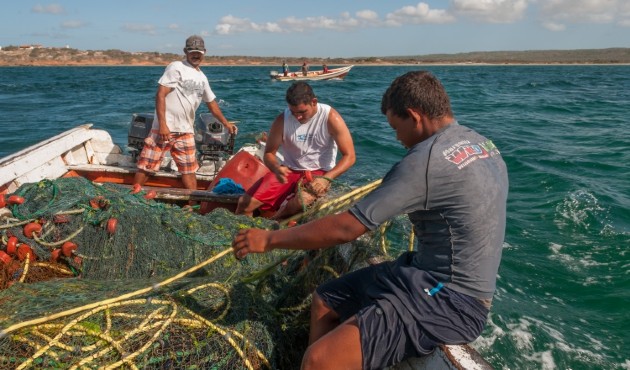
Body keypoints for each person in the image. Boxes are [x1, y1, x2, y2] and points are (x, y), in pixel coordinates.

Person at [232, 71, 508, 370]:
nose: (397, 138)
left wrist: (269, 239)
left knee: (318, 360)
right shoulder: (480, 143)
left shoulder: (424, 162)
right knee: (325, 299)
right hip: (419, 272)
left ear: (414, 117)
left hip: (450, 300)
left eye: (395, 127)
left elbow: (348, 227)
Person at [235, 81, 355, 219]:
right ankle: (241, 236)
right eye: (293, 112)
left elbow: (349, 156)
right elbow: (269, 153)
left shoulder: (331, 118)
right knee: (244, 203)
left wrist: (327, 179)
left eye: (302, 112)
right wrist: (275, 168)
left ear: (314, 102)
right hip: (289, 170)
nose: (297, 117)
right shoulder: (282, 120)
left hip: (319, 172)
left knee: (300, 202)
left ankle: (273, 224)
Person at [133, 35, 236, 191]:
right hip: (164, 129)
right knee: (147, 166)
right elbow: (160, 94)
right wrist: (162, 125)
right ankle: (133, 194)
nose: (196, 55)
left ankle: (192, 204)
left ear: (205, 52)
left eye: (199, 52)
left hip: (186, 130)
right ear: (185, 51)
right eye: (192, 51)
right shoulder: (176, 67)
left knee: (189, 170)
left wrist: (226, 123)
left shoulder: (202, 77)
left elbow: (211, 104)